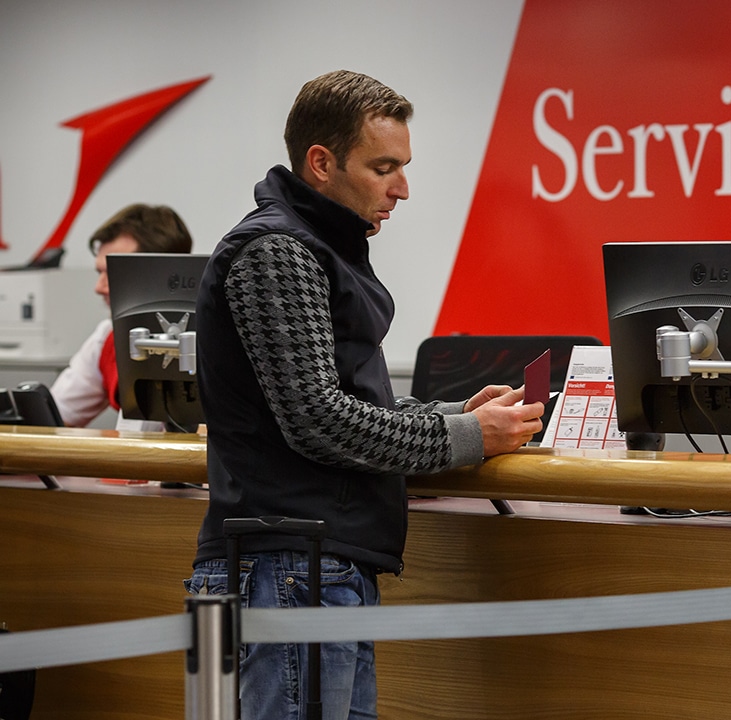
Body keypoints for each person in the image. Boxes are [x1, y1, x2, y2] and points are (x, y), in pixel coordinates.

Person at [186, 70, 544, 719]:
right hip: (291, 568)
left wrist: (450, 417)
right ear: (321, 163)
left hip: (313, 568)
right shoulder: (279, 251)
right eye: (383, 167)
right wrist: (464, 438)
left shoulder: (316, 248)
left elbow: (340, 400)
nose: (402, 189)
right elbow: (318, 420)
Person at [49, 203, 193, 427]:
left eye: (113, 272)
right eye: (100, 272)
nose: (99, 287)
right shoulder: (107, 337)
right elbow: (56, 417)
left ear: (162, 272)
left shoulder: (219, 337)